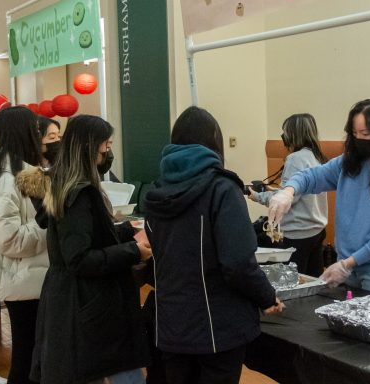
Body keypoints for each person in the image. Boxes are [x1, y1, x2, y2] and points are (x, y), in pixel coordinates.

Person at [142, 107, 282, 384]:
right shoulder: (223, 188)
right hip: (218, 328)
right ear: (215, 143)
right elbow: (238, 262)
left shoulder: (156, 192)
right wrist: (267, 297)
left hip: (172, 325)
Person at [31, 115, 151, 384]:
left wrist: (126, 230)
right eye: (105, 144)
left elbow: (89, 236)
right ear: (89, 145)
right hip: (86, 301)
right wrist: (134, 251)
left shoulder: (67, 186)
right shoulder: (79, 193)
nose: (107, 151)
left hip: (77, 299)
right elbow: (79, 258)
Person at [268, 98, 370, 292]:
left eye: (365, 134)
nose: (359, 139)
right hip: (347, 267)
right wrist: (288, 191)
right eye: (354, 134)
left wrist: (348, 263)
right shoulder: (349, 163)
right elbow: (312, 176)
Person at [0, 106, 47, 384]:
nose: (41, 136)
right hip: (20, 277)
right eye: (37, 130)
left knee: (31, 353)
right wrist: (46, 223)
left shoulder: (20, 171)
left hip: (26, 275)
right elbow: (10, 240)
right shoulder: (7, 179)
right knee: (26, 356)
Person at [248, 113, 328, 277]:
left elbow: (288, 199)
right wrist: (272, 191)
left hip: (297, 234)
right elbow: (295, 192)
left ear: (293, 134)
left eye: (285, 132)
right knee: (313, 279)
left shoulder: (295, 159)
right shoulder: (316, 156)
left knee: (292, 282)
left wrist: (257, 196)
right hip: (317, 231)